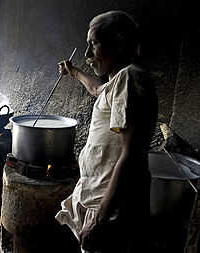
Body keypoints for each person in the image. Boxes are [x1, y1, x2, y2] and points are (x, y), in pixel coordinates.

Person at [55, 11, 158, 253]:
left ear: (118, 43)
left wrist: (99, 220)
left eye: (93, 44)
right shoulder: (118, 82)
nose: (87, 54)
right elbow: (98, 90)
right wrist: (74, 71)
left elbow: (131, 155)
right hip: (105, 205)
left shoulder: (129, 78)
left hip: (112, 210)